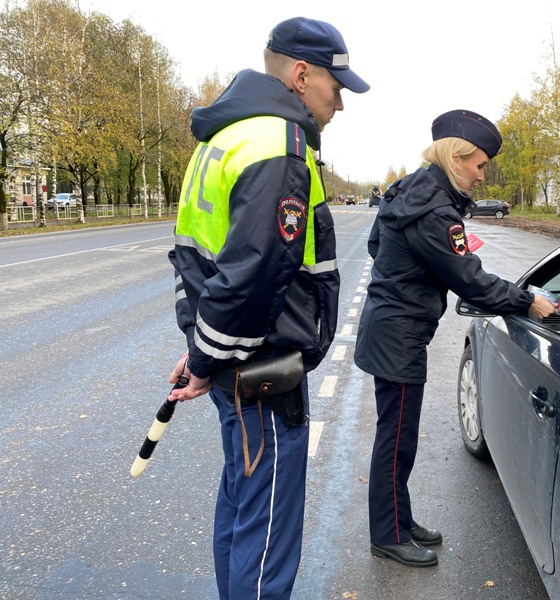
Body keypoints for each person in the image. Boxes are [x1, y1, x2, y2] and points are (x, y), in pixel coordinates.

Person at [164, 16, 369, 600]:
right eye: (338, 87)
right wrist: (205, 361)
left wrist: (199, 352)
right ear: (302, 75)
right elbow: (254, 276)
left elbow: (190, 257)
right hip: (263, 368)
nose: (342, 103)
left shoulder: (220, 139)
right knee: (270, 522)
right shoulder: (280, 142)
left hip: (231, 364)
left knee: (242, 502)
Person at [353, 109, 557, 568]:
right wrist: (528, 302)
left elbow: (376, 246)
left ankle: (399, 520)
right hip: (399, 336)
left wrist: (408, 274)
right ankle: (388, 534)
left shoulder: (406, 190)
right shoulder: (434, 211)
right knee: (397, 437)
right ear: (456, 157)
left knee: (397, 433)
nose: (483, 176)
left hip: (390, 326)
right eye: (480, 164)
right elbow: (473, 282)